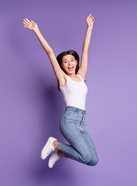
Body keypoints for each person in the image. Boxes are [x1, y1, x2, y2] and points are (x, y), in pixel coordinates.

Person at [23, 14, 99, 168]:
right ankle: (55, 143)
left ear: (76, 62)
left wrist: (89, 28)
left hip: (82, 122)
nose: (69, 63)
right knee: (85, 155)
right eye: (65, 62)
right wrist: (36, 30)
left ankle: (60, 152)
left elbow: (85, 51)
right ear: (62, 66)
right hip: (69, 121)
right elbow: (50, 52)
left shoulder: (81, 75)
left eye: (71, 60)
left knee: (92, 160)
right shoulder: (64, 79)